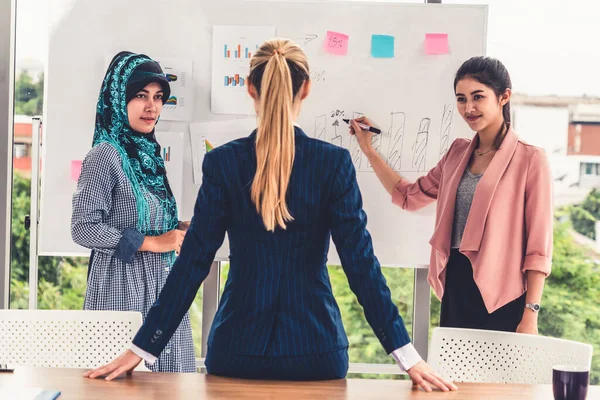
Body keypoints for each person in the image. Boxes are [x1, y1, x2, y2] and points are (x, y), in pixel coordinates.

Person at [84, 39, 456, 392]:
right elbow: (360, 266)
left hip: (237, 350)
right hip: (316, 351)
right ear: (306, 89)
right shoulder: (333, 164)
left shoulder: (223, 162)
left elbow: (193, 263)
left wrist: (142, 348)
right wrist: (407, 356)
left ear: (249, 88)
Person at [350, 57, 553, 334]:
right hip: (456, 286)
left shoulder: (530, 158)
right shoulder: (457, 153)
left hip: (505, 296)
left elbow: (538, 248)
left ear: (504, 97)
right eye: (461, 99)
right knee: (455, 378)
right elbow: (409, 196)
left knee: (497, 379)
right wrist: (368, 150)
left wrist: (531, 313)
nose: (468, 108)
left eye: (478, 97)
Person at [72, 51, 194, 372]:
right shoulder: (104, 155)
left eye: (158, 97)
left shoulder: (149, 155)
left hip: (162, 285)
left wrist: (181, 228)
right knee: (119, 386)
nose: (152, 106)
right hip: (120, 285)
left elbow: (147, 219)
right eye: (140, 96)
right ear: (118, 97)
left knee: (167, 388)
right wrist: (152, 243)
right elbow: (83, 228)